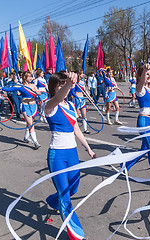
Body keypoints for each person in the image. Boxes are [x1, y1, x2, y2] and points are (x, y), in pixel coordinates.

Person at [44, 71, 95, 240]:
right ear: (53, 87)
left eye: (65, 83)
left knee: (73, 188)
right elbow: (59, 97)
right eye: (60, 84)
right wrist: (69, 84)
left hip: (72, 153)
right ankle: (76, 235)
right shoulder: (49, 105)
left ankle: (52, 201)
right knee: (65, 197)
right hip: (57, 155)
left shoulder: (71, 106)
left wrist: (88, 148)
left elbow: (76, 129)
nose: (64, 87)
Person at [124, 63, 150, 187]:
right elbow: (141, 81)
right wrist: (144, 72)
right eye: (147, 74)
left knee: (144, 149)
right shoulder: (139, 88)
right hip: (143, 121)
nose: (149, 76)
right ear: (141, 75)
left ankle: (125, 165)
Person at [1, 71, 41, 149]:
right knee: (31, 124)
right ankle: (36, 142)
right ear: (25, 78)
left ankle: (26, 137)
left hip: (33, 106)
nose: (31, 78)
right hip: (25, 106)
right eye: (29, 77)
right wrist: (1, 88)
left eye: (31, 76)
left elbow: (39, 93)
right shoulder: (21, 86)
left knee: (30, 123)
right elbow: (9, 89)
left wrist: (36, 91)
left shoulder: (33, 85)